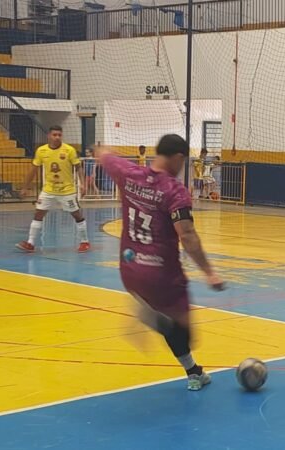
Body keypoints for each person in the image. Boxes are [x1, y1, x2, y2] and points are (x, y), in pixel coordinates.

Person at [95, 134, 224, 391]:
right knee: (185, 332)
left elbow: (104, 156)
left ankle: (194, 373)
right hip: (161, 275)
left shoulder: (129, 173)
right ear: (177, 158)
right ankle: (155, 320)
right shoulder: (175, 191)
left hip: (129, 269)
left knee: (173, 325)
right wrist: (210, 273)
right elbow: (187, 235)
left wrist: (103, 149)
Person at [15, 125, 89, 253]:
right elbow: (33, 170)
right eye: (54, 135)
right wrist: (25, 187)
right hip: (48, 189)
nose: (57, 137)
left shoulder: (69, 150)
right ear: (49, 136)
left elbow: (78, 167)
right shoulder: (41, 151)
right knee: (38, 213)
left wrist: (83, 184)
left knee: (76, 214)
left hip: (67, 190)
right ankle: (30, 243)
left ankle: (85, 241)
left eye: (59, 135)